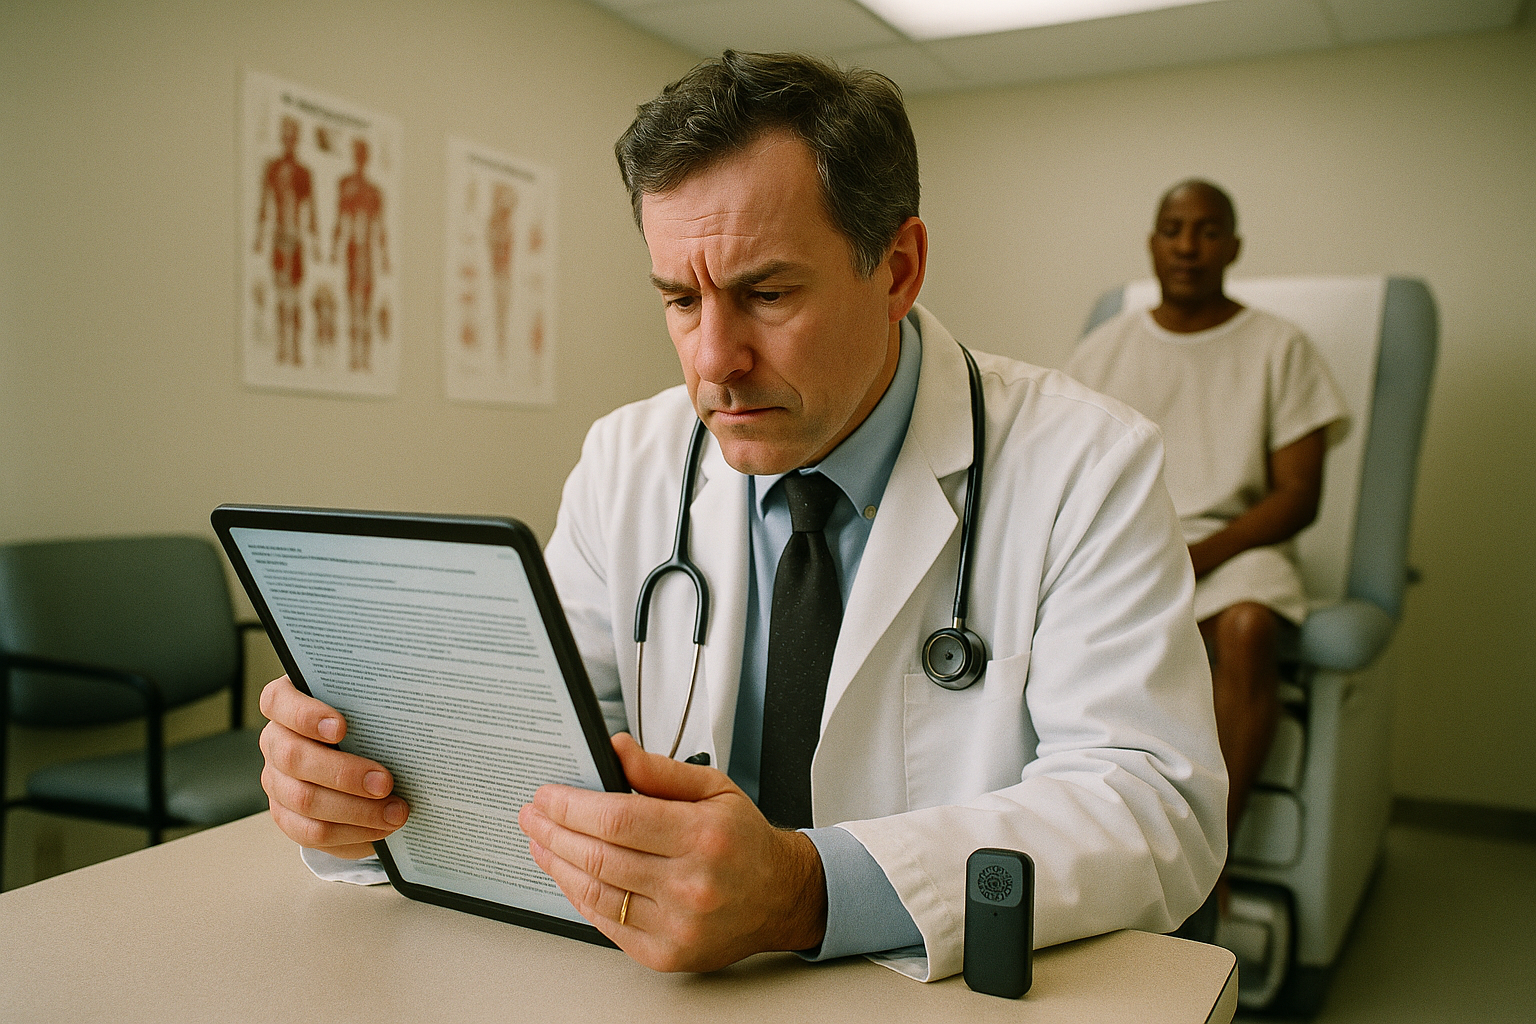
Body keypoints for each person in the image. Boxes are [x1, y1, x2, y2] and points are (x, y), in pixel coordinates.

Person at [257, 52, 1226, 982]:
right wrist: (371, 792)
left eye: (767, 293)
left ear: (897, 269)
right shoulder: (626, 462)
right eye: (680, 298)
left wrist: (808, 892)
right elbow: (547, 739)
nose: (714, 359)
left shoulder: (1087, 464)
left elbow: (1155, 805)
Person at [1066, 179, 1347, 858]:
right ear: (1153, 244)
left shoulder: (1280, 347)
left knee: (1248, 627)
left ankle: (1213, 849)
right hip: (1135, 543)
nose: (1188, 245)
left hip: (1238, 548)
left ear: (1234, 246)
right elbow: (1065, 472)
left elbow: (1298, 496)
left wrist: (1201, 555)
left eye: (1208, 230)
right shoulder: (1103, 350)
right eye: (1173, 229)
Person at [253, 115, 318, 367]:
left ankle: (297, 349)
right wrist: (259, 237)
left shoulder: (304, 173)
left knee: (297, 297)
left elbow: (311, 211)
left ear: (297, 139)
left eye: (293, 135)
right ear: (282, 137)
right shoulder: (272, 168)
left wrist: (316, 243)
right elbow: (264, 204)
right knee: (282, 297)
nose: (289, 140)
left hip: (297, 240)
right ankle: (282, 348)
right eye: (285, 134)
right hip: (279, 238)